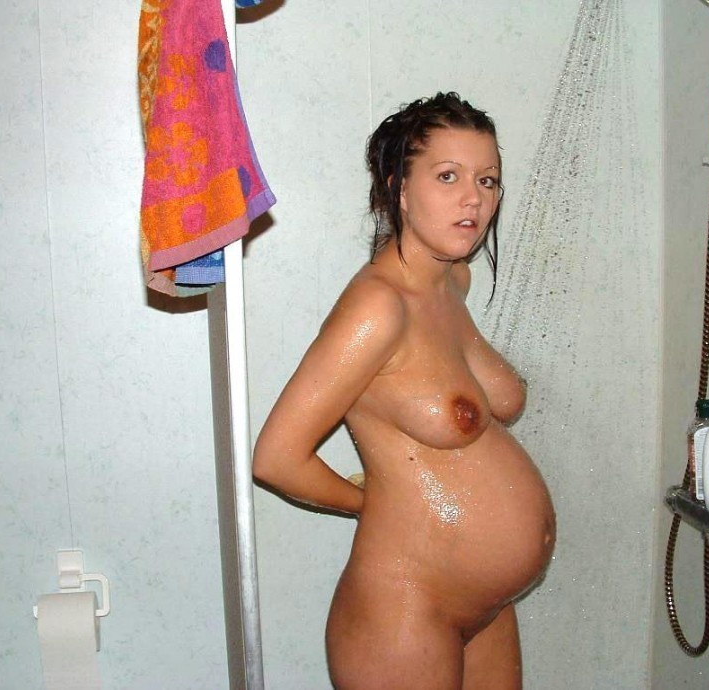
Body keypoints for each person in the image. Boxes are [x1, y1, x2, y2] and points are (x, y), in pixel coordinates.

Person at [253, 92, 556, 689]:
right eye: (448, 176)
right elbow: (276, 458)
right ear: (399, 189)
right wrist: (370, 503)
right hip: (406, 607)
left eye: (487, 180)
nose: (474, 198)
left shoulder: (453, 281)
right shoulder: (379, 305)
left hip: (485, 605)